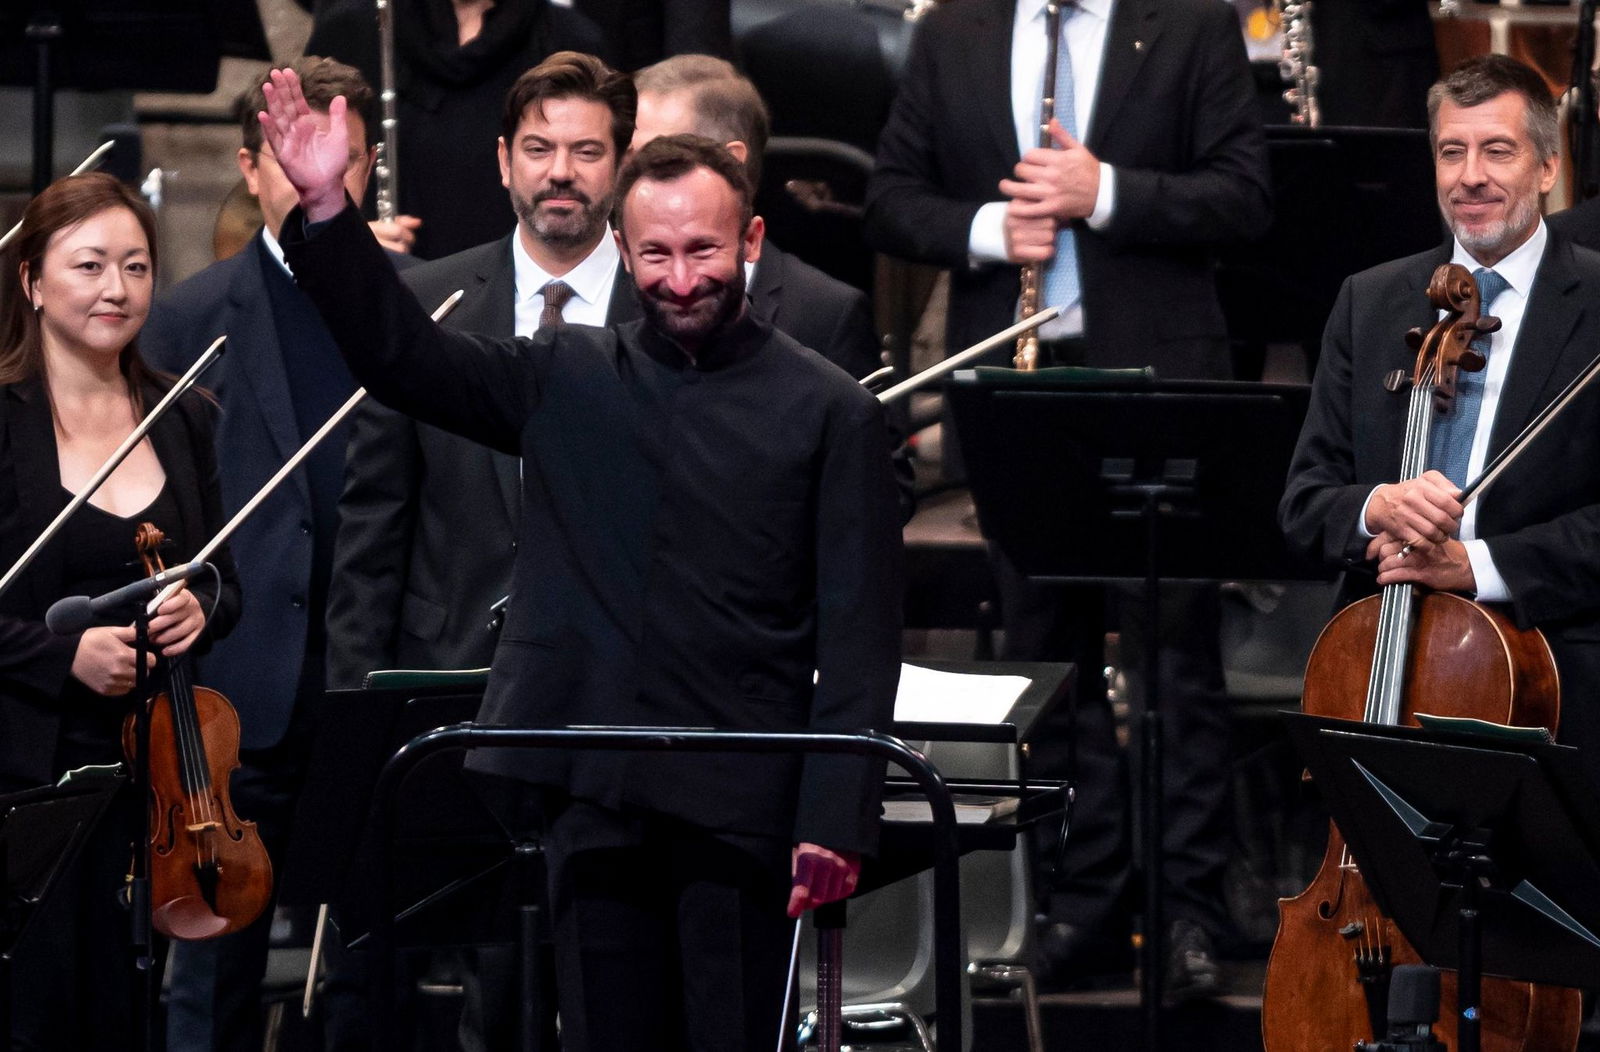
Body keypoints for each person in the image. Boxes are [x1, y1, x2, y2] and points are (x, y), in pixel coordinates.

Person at [260, 66, 903, 1050]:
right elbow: (399, 357)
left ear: (753, 242)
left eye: (703, 251)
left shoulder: (831, 409)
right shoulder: (567, 373)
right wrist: (326, 207)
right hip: (592, 799)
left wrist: (835, 813)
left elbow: (859, 631)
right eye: (655, 254)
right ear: (620, 246)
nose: (680, 278)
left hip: (744, 807)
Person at [863, 0, 1271, 996]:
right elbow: (889, 199)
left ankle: (1186, 910)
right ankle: (1076, 905)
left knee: (1175, 655)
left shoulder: (1189, 24)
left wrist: (1107, 192)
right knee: (1043, 652)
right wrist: (992, 227)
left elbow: (1246, 196)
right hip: (1016, 385)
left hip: (1158, 380)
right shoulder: (952, 31)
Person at [137, 56, 395, 1052]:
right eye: (289, 156)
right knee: (212, 982)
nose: (316, 175)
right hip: (237, 701)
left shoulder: (417, 304)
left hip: (373, 686)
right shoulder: (187, 319)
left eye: (343, 157)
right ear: (250, 167)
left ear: (369, 166)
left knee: (379, 970)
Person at [1282, 55, 1600, 772]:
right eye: (1451, 152)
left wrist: (1476, 566)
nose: (1470, 176)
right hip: (1377, 660)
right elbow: (1305, 501)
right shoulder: (1370, 301)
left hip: (1556, 664)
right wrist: (1377, 507)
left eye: (1498, 150)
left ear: (1549, 168)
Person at [0, 171, 240, 1049]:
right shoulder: (3, 416)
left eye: (136, 267)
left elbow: (225, 577)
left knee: (125, 1011)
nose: (116, 289)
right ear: (30, 281)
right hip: (27, 776)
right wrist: (61, 655)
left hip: (164, 780)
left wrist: (201, 612)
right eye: (90, 265)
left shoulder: (183, 416)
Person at [327, 51, 640, 691]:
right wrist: (356, 709)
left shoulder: (663, 310)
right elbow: (374, 533)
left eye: (586, 151)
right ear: (504, 161)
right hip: (447, 676)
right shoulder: (429, 305)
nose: (559, 172)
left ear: (623, 165)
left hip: (620, 686)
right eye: (537, 149)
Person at [633, 53, 883, 381]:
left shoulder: (825, 316)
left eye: (658, 159)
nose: (630, 179)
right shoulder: (609, 285)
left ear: (730, 163)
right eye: (627, 157)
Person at [305, 0, 612, 259]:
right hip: (382, 282)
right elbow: (295, 176)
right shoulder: (350, 31)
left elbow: (607, 185)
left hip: (520, 293)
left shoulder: (573, 40)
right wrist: (343, 236)